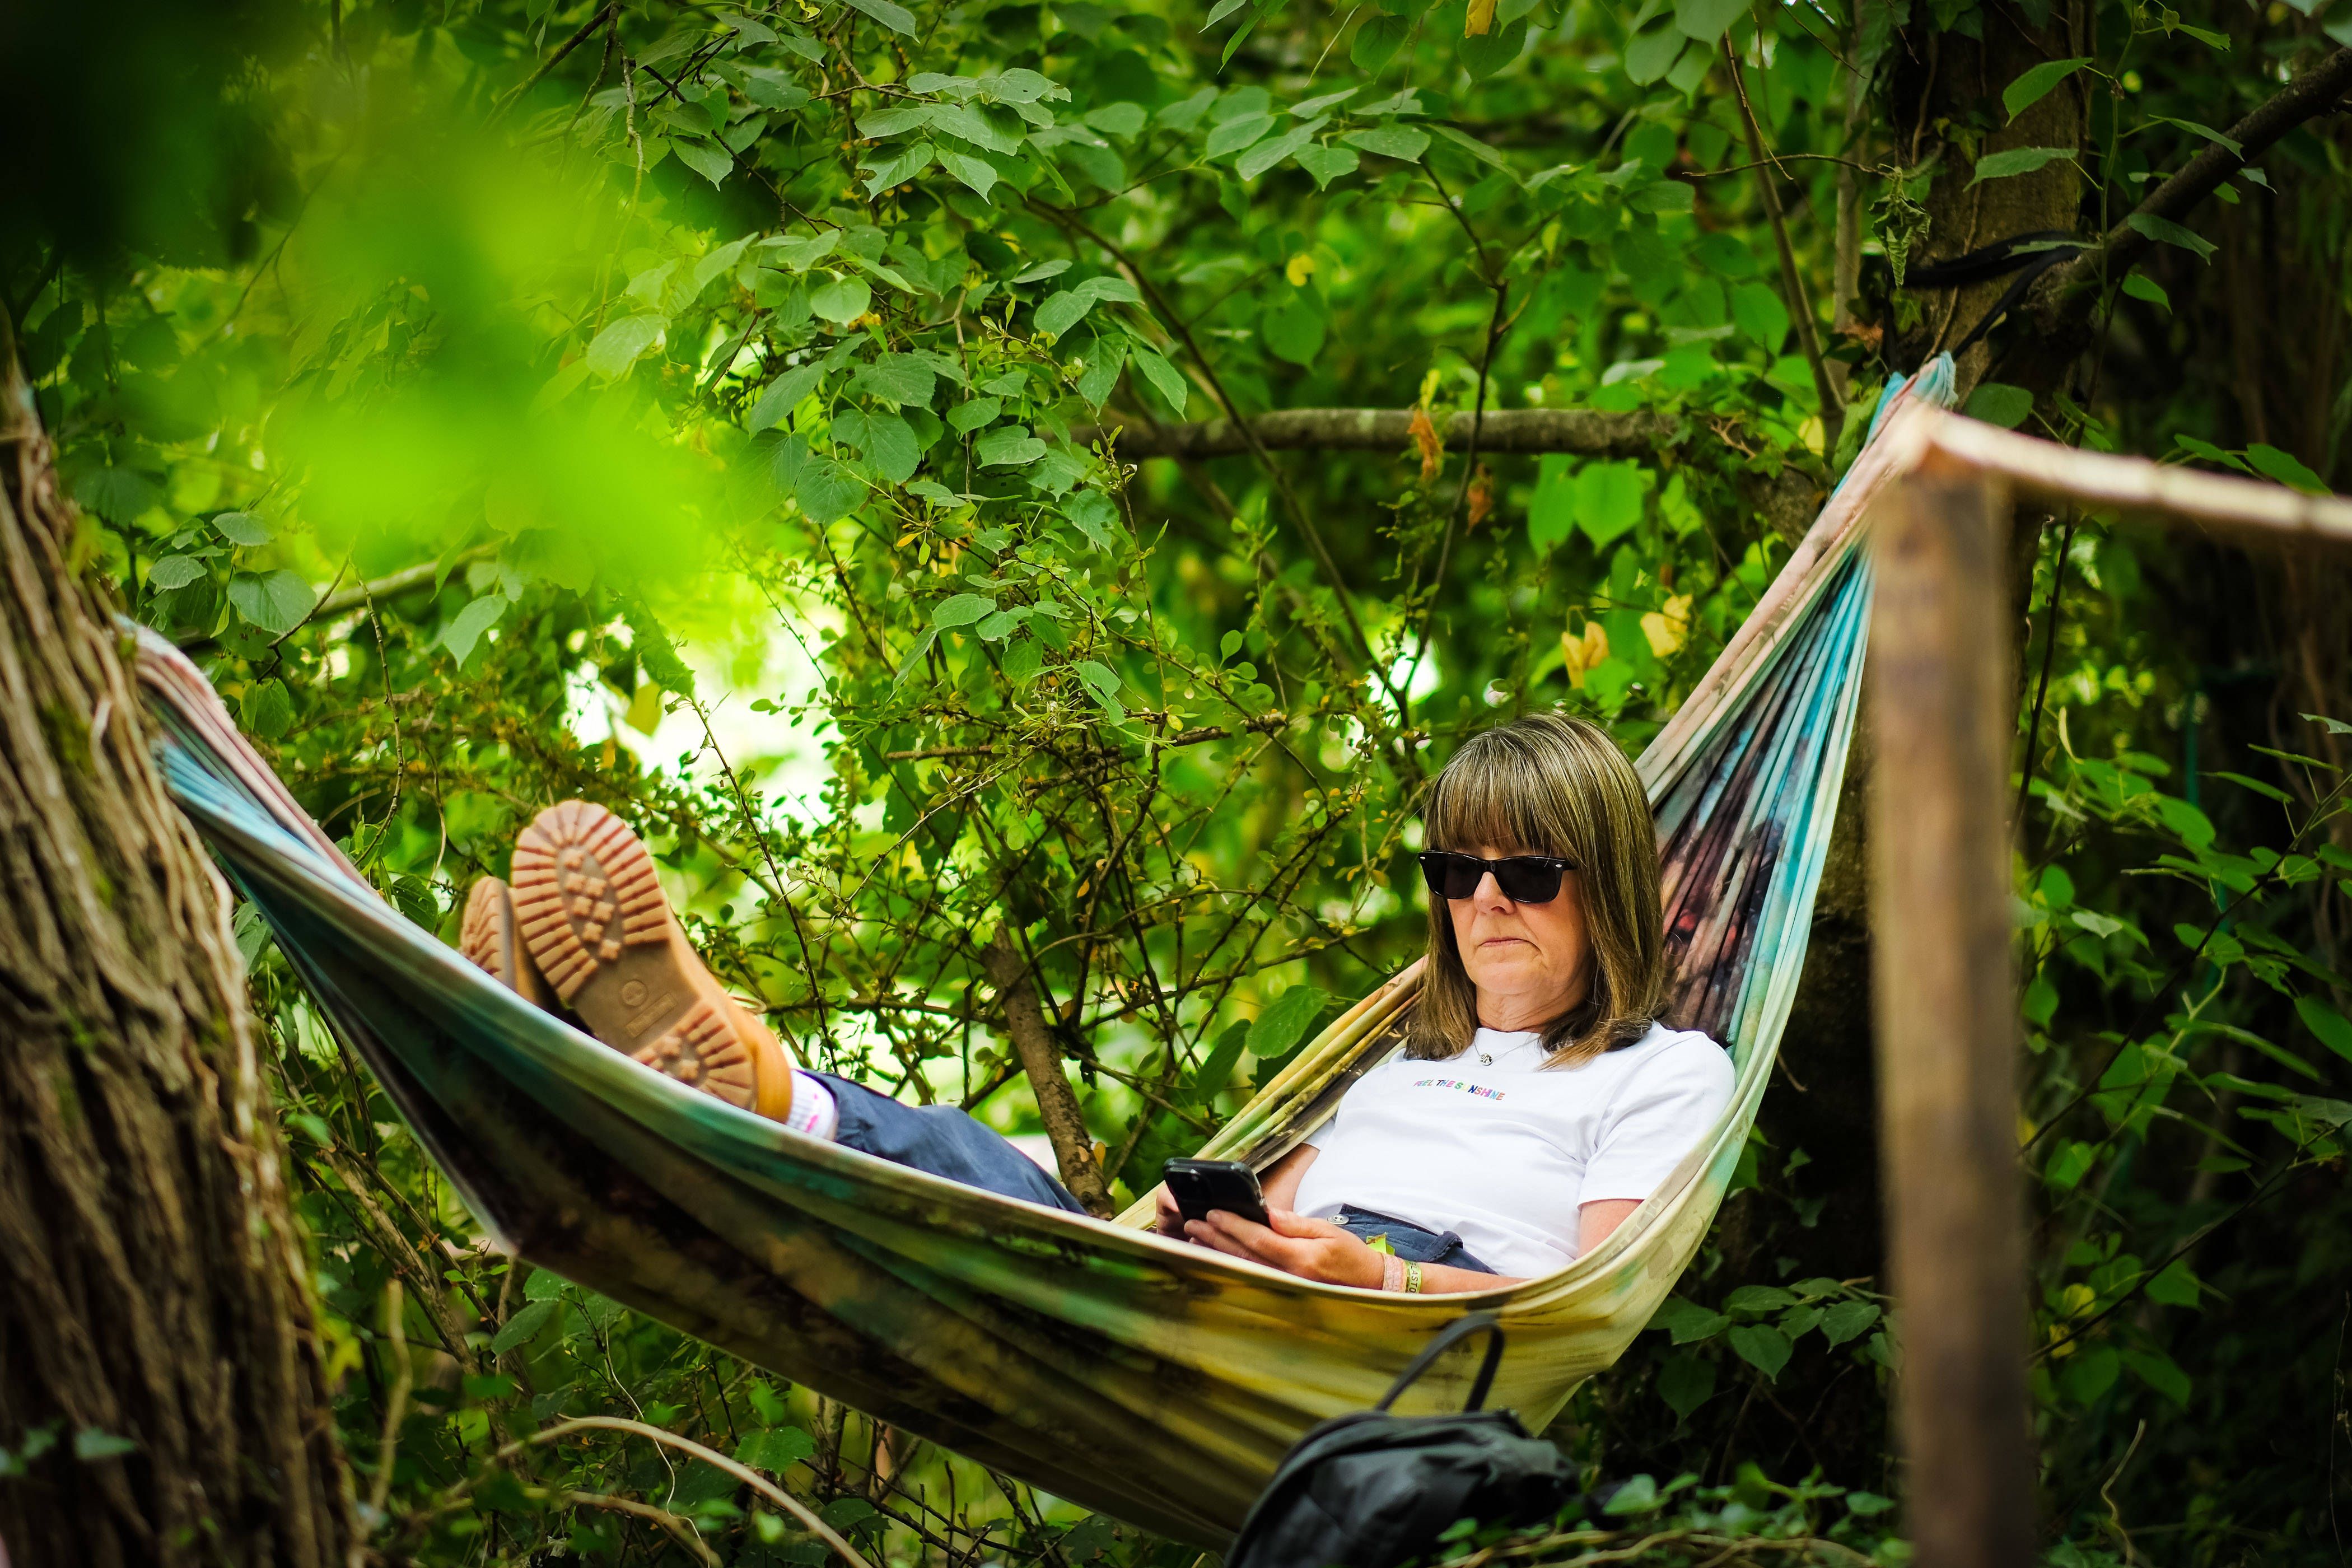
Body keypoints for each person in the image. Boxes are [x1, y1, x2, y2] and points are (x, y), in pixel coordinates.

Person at [461, 711, 1732, 1294]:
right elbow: (1255, 1214)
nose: (1485, 900)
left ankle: (733, 1067)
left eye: (1527, 871)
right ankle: (626, 1059)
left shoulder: (1662, 1071)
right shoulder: (1400, 1066)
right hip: (1267, 1296)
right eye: (1458, 870)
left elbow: (1590, 1294)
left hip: (1397, 1325)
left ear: (1603, 881)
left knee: (1023, 1216)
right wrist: (1202, 1220)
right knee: (1013, 1201)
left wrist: (1385, 1279)